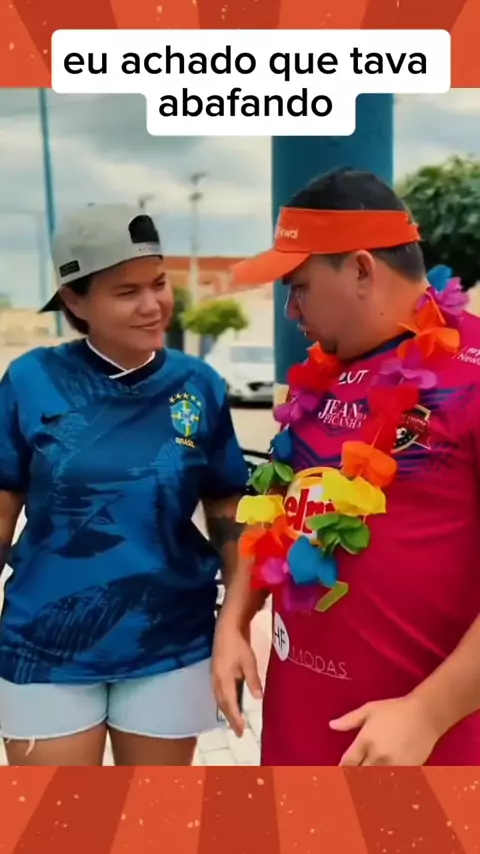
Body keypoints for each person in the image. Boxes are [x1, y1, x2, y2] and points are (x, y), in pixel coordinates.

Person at [212, 167, 480, 766]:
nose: (290, 309)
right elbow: (279, 516)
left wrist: (428, 713)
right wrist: (234, 620)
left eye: (300, 286)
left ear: (361, 269)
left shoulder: (472, 373)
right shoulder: (319, 377)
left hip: (425, 751)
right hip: (295, 736)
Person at [0, 204, 248, 766]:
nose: (153, 304)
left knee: (153, 817)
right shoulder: (31, 380)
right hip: (44, 645)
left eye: (159, 283)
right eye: (126, 292)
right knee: (58, 817)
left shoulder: (200, 385)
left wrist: (235, 621)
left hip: (169, 641)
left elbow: (228, 506)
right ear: (74, 301)